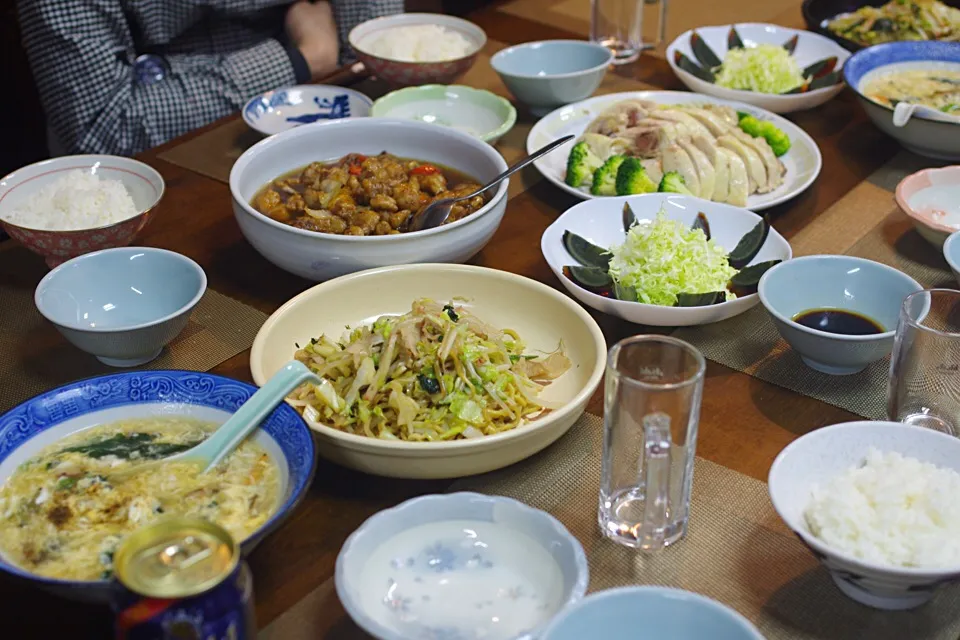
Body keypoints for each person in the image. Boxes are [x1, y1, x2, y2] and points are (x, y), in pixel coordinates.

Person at [17, 0, 403, 157]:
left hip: (314, 104)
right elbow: (101, 128)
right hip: (151, 159)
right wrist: (302, 59)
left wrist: (344, 51)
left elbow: (369, 48)